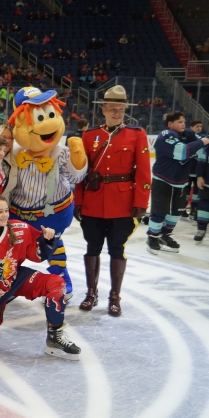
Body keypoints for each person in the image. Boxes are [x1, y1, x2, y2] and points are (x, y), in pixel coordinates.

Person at [0, 195, 81, 361]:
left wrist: (48, 240)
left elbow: (37, 256)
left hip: (16, 279)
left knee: (56, 284)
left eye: (6, 211)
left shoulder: (20, 228)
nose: (4, 215)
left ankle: (55, 336)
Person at [75, 86, 151, 316]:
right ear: (104, 110)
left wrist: (141, 201)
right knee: (92, 248)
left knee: (117, 249)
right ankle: (91, 292)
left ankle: (114, 296)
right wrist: (79, 200)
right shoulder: (89, 136)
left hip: (123, 202)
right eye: (113, 109)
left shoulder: (137, 134)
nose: (117, 113)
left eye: (121, 109)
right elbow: (80, 173)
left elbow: (144, 173)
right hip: (94, 202)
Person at [147, 111, 209, 254]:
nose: (183, 124)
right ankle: (152, 237)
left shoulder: (187, 134)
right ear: (170, 124)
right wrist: (203, 142)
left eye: (184, 122)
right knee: (159, 211)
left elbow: (202, 147)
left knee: (176, 212)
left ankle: (165, 235)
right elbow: (181, 152)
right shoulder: (165, 135)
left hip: (181, 182)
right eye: (180, 122)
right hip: (163, 179)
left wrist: (203, 142)